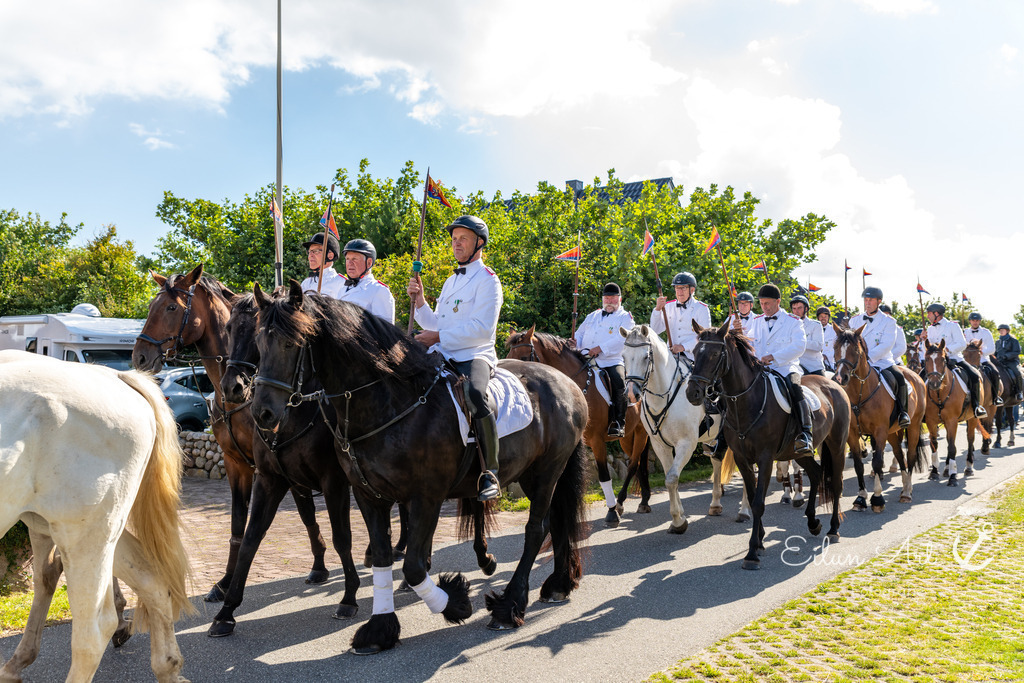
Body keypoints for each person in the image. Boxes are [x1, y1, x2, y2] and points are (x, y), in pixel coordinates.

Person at [407, 215, 503, 501]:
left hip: (475, 353)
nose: (456, 243)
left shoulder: (488, 281)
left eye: (462, 238)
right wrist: (421, 301)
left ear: (479, 243)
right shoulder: (450, 281)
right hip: (445, 351)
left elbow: (482, 329)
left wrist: (437, 337)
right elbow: (436, 323)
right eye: (454, 239)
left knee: (474, 394)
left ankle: (491, 472)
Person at [747, 283, 813, 453]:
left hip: (785, 368)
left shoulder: (793, 321)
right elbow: (750, 345)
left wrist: (774, 357)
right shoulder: (756, 321)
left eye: (767, 303)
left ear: (778, 301)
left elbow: (800, 346)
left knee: (795, 388)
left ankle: (805, 434)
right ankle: (724, 438)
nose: (764, 307)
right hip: (760, 369)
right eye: (761, 304)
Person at [575, 282, 634, 438]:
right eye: (607, 298)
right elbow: (579, 333)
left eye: (613, 298)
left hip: (611, 360)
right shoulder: (592, 316)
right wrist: (575, 344)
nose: (609, 301)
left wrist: (600, 348)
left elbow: (622, 338)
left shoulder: (625, 317)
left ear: (620, 300)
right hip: (585, 359)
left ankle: (619, 422)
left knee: (619, 381)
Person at [849, 288, 910, 427]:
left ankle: (903, 413)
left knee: (900, 378)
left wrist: (867, 358)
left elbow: (887, 345)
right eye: (865, 300)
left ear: (879, 301)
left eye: (870, 300)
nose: (867, 303)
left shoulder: (889, 321)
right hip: (858, 363)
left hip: (881, 361)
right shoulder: (855, 320)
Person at [926, 303, 986, 418]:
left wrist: (947, 350)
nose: (928, 316)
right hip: (936, 362)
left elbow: (962, 344)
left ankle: (977, 406)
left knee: (974, 375)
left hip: (954, 359)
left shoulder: (952, 326)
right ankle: (922, 409)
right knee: (919, 377)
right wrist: (925, 340)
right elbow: (929, 348)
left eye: (929, 313)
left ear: (936, 313)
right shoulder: (929, 328)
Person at [650, 271, 711, 361]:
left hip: (692, 357)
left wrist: (683, 347)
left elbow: (705, 337)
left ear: (692, 290)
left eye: (683, 288)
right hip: (670, 357)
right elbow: (655, 330)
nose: (679, 292)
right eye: (677, 288)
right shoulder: (668, 307)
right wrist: (657, 309)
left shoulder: (702, 309)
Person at [337, 238, 396, 324]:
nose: (350, 263)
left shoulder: (379, 290)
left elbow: (385, 331)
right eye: (347, 259)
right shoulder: (343, 289)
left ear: (369, 263)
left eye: (354, 259)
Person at [965, 311, 1003, 405]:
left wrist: (983, 351)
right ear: (970, 321)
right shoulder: (964, 332)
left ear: (980, 321)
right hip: (968, 361)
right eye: (973, 320)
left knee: (995, 372)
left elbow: (992, 349)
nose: (975, 322)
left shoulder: (986, 332)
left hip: (983, 360)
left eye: (977, 320)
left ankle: (995, 398)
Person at [300, 232, 343, 297]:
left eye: (316, 251)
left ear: (330, 256)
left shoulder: (341, 283)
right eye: (309, 252)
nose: (310, 256)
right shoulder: (306, 283)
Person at [791, 294, 825, 376]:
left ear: (806, 309)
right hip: (794, 366)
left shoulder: (815, 325)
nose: (796, 311)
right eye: (794, 308)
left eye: (799, 308)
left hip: (812, 367)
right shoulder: (787, 325)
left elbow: (818, 346)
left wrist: (800, 342)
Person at [995, 324, 1023, 401]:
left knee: (1017, 373)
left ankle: (1019, 392)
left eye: (1002, 330)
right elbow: (996, 352)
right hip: (1000, 362)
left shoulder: (1014, 341)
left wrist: (1006, 356)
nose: (1001, 331)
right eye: (1000, 330)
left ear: (1007, 331)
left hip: (1012, 362)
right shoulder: (997, 342)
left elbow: (1016, 351)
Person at [818, 306, 837, 372]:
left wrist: (826, 355)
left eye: (825, 317)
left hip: (829, 363)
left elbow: (837, 348)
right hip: (815, 362)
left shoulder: (834, 331)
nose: (823, 318)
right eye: (821, 316)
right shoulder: (813, 329)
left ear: (828, 318)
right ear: (818, 318)